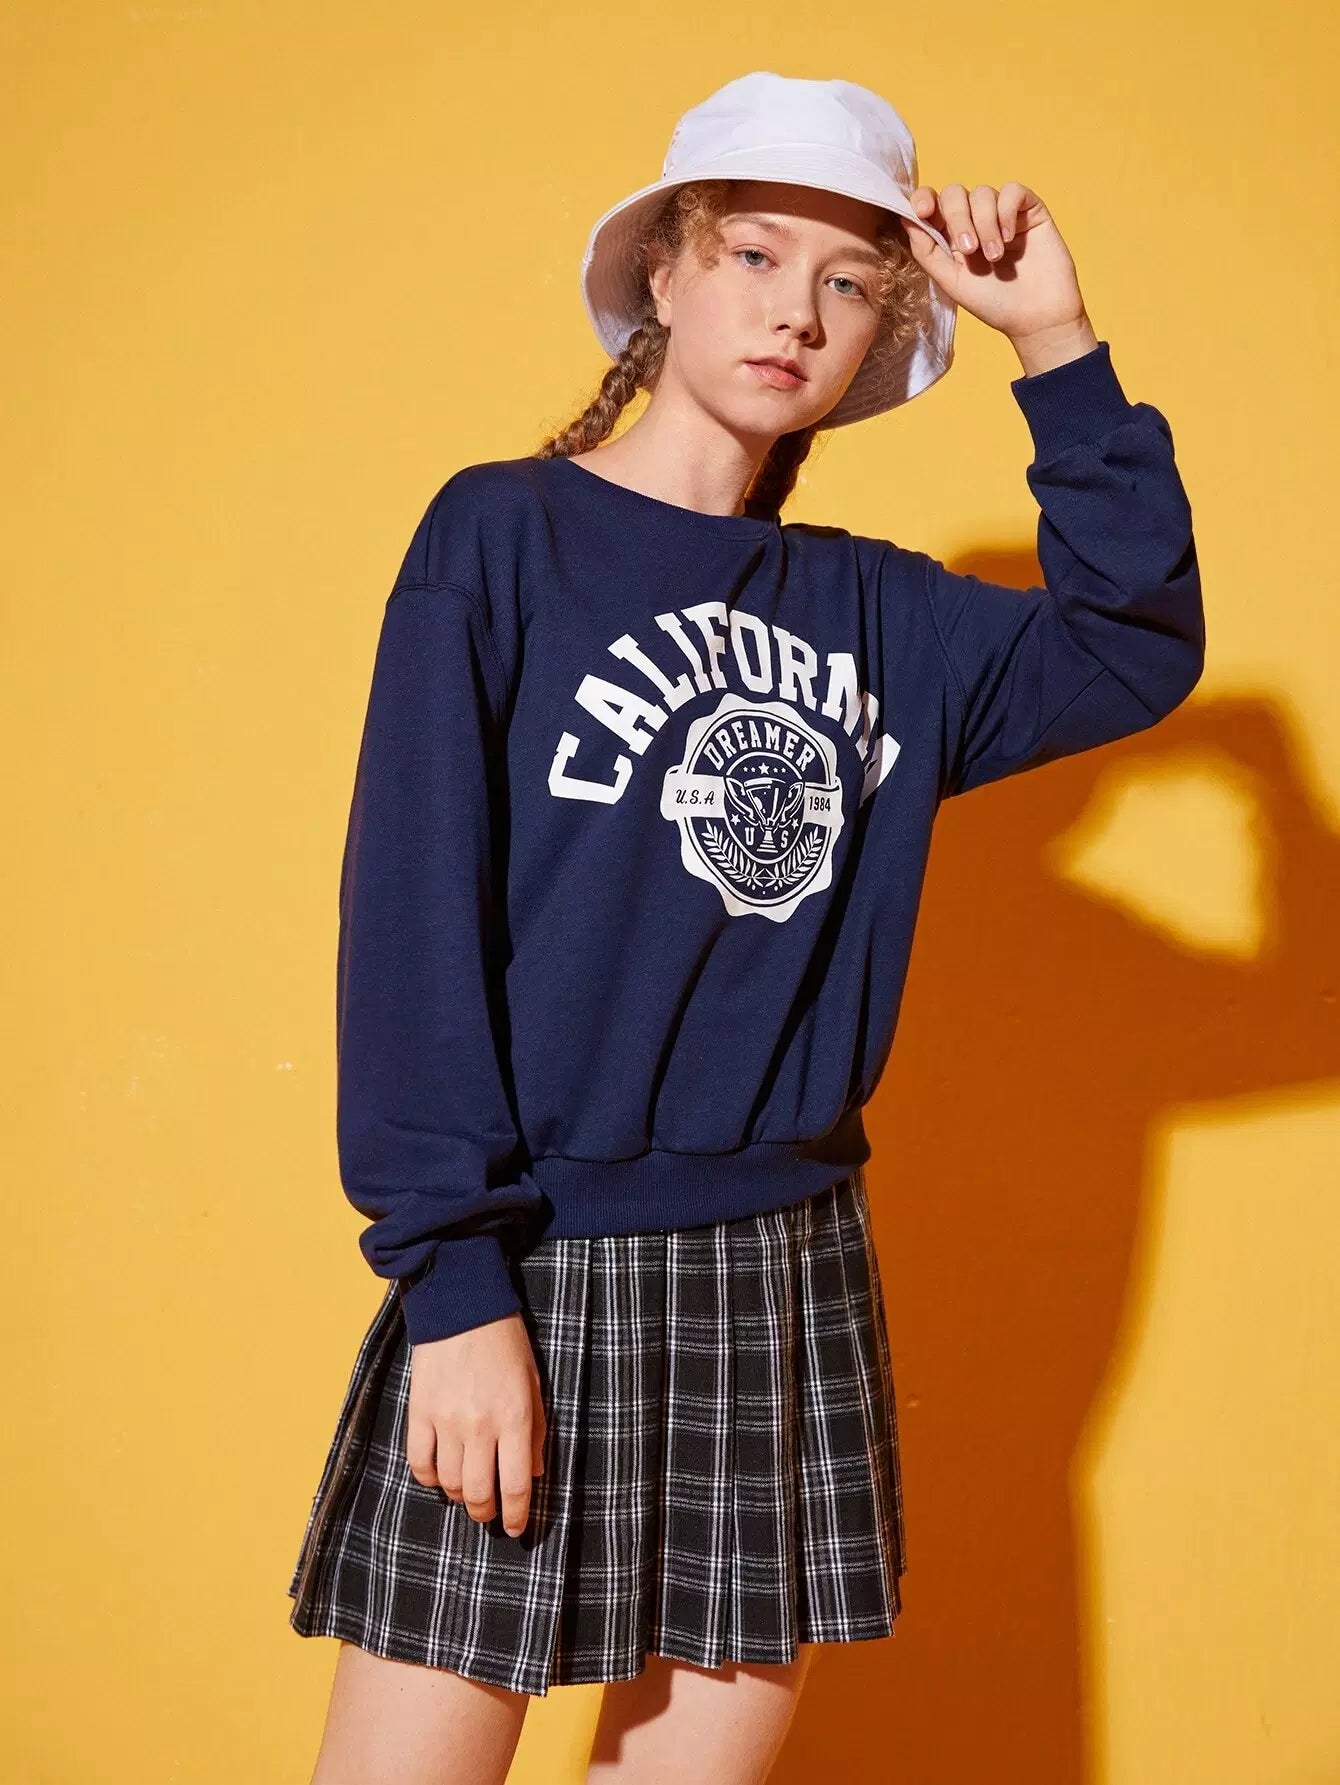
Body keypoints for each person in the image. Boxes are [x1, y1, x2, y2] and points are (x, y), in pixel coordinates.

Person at [286, 69, 1205, 1785]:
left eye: (850, 281)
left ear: (880, 332)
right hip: (531, 1261)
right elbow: (408, 919)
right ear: (664, 270)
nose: (797, 310)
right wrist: (454, 1286)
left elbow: (1133, 642)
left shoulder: (880, 616)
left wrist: (1056, 340)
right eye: (757, 253)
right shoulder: (503, 536)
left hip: (783, 1274)